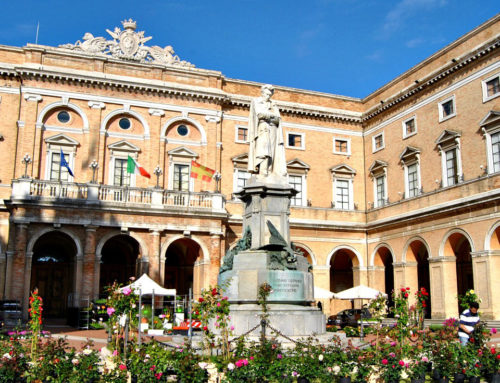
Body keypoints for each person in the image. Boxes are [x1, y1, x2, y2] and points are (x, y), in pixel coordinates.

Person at [247, 84, 287, 180]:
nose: (268, 96)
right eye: (267, 94)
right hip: (262, 128)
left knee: (272, 151)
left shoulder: (273, 104)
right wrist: (271, 116)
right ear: (262, 93)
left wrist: (269, 116)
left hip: (273, 129)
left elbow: (278, 119)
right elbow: (260, 115)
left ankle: (270, 172)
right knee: (263, 151)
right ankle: (263, 172)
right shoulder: (256, 101)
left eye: (270, 95)